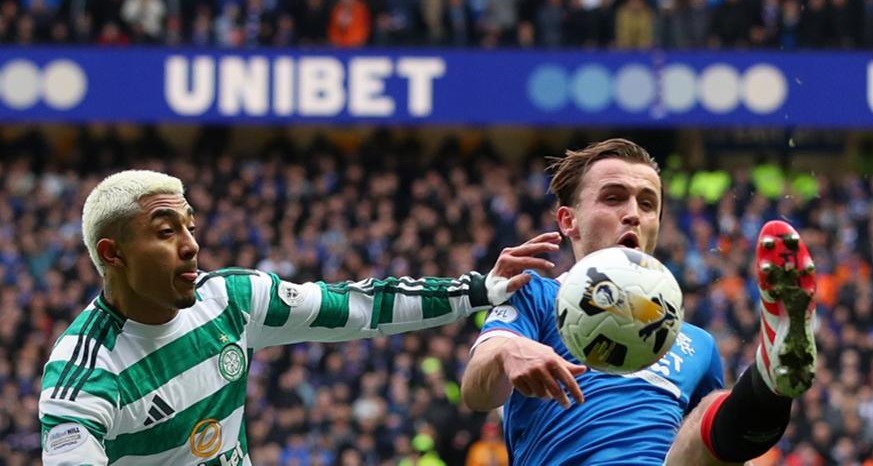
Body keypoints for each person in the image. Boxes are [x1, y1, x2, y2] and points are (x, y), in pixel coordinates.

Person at [38, 169, 561, 465]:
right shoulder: (83, 375)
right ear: (113, 254)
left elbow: (359, 305)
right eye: (165, 231)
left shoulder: (231, 301)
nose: (191, 245)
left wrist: (478, 288)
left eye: (190, 226)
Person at [461, 138, 817, 465]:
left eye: (647, 204)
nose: (633, 213)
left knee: (711, 409)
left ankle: (769, 383)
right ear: (569, 221)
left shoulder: (696, 344)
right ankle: (766, 385)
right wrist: (508, 353)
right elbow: (477, 392)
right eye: (613, 198)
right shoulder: (535, 294)